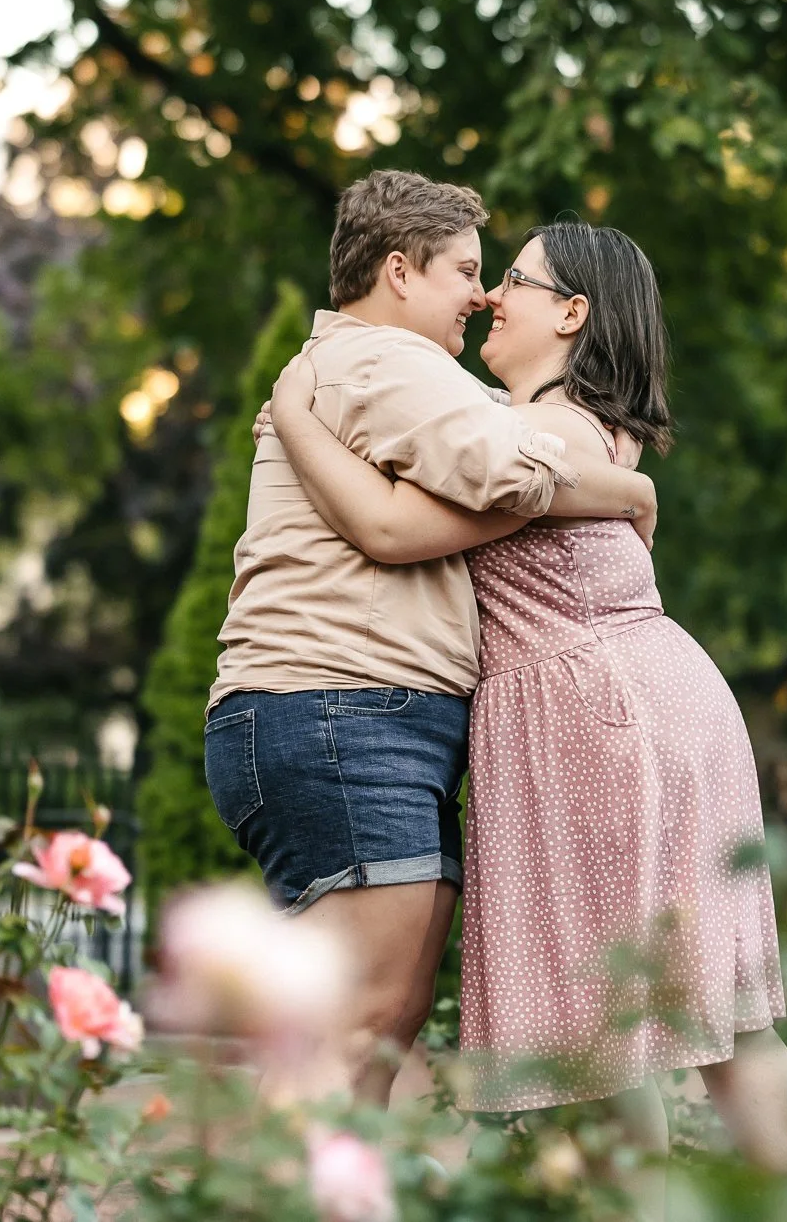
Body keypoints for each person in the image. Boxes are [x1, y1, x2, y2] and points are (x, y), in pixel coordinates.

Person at [262, 219, 787, 1184]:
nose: (488, 296)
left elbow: (390, 525)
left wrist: (295, 414)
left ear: (572, 313)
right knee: (718, 1026)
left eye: (512, 280)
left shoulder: (537, 434)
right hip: (655, 699)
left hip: (592, 714)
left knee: (601, 1042)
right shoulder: (564, 429)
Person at [205, 172, 659, 1108]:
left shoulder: (373, 376)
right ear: (400, 272)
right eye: (466, 270)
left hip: (355, 716)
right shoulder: (385, 364)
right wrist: (628, 488)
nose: (483, 294)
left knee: (376, 1026)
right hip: (340, 709)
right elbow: (505, 469)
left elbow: (479, 459)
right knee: (359, 1024)